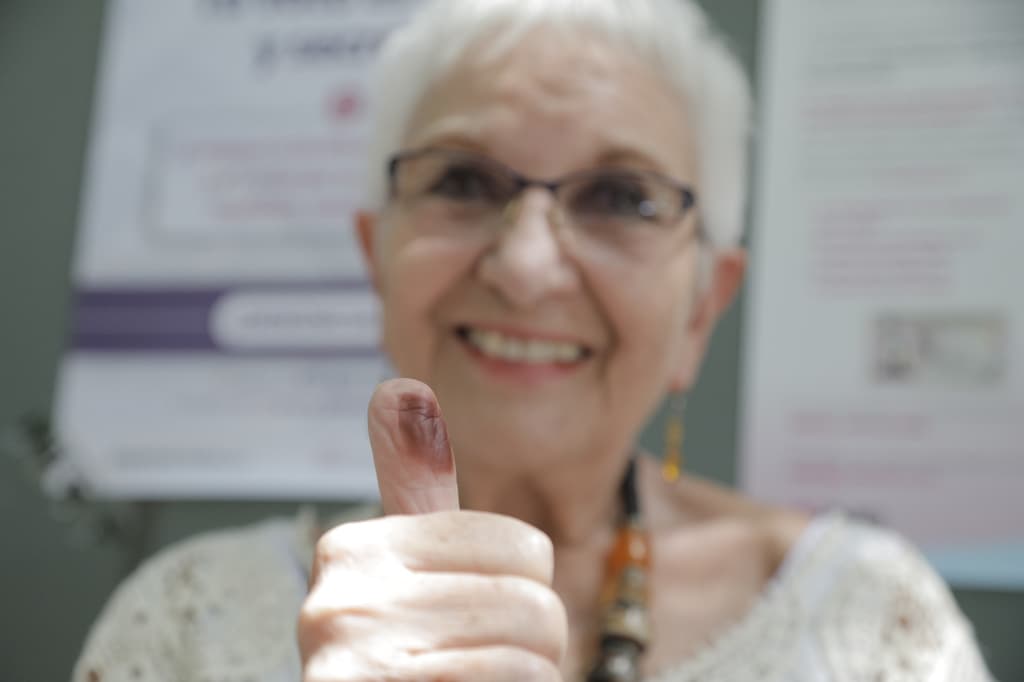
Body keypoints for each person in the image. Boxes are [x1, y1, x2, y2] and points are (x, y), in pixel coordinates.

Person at [73, 1, 996, 680]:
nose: (524, 267)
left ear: (702, 310)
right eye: (464, 181)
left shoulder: (872, 622)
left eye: (621, 197)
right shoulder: (184, 623)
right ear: (376, 257)